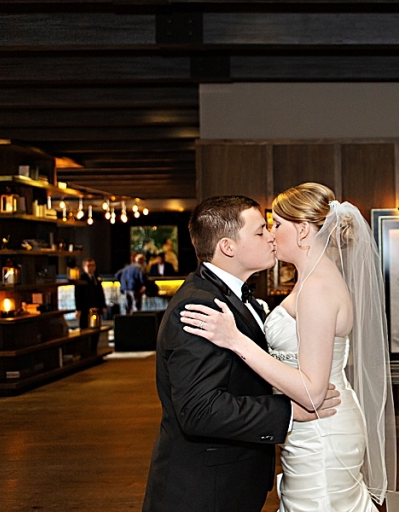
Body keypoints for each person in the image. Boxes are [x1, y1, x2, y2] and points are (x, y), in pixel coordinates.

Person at [181, 183, 396, 511]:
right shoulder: (312, 281)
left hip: (322, 431)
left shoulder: (316, 288)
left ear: (303, 231)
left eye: (277, 224)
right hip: (312, 427)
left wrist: (236, 340)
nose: (271, 235)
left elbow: (312, 392)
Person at [143, 195, 340, 512]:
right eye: (260, 231)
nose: (271, 237)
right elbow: (199, 410)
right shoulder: (199, 305)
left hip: (231, 482)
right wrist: (288, 411)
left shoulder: (229, 296)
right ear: (228, 247)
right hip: (203, 493)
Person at [74, 257, 106, 326]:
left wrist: (103, 306)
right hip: (85, 308)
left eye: (93, 265)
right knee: (85, 326)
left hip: (96, 307)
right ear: (84, 267)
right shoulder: (81, 279)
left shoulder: (97, 278)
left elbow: (100, 293)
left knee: (96, 326)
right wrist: (78, 309)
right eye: (89, 266)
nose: (91, 268)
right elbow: (77, 295)